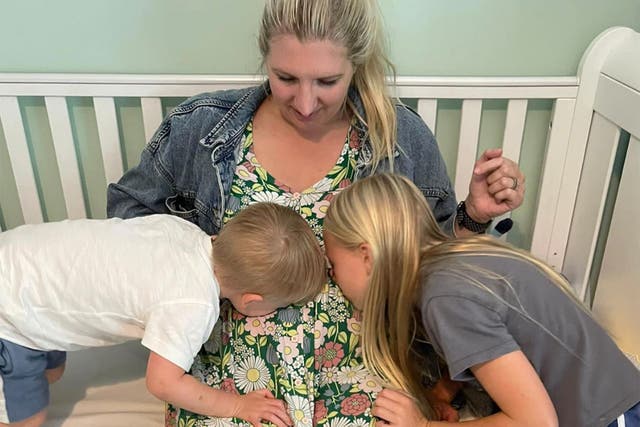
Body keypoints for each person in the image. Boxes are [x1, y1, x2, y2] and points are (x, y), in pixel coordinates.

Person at [106, 0, 526, 424]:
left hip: (365, 378)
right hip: (229, 387)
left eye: (327, 81)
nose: (305, 103)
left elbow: (429, 260)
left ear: (356, 66)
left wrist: (472, 215)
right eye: (285, 78)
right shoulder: (200, 130)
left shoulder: (397, 137)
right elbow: (129, 215)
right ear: (264, 58)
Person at [323, 173, 640, 427]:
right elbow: (488, 346)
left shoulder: (443, 297)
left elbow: (536, 421)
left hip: (610, 416)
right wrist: (443, 393)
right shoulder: (452, 266)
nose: (333, 277)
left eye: (333, 265)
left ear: (366, 256)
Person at [0, 202, 325, 427]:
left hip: (21, 258)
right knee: (30, 420)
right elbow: (163, 383)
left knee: (52, 373)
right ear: (252, 300)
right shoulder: (193, 304)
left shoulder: (181, 229)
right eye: (277, 307)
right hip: (12, 312)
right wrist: (238, 405)